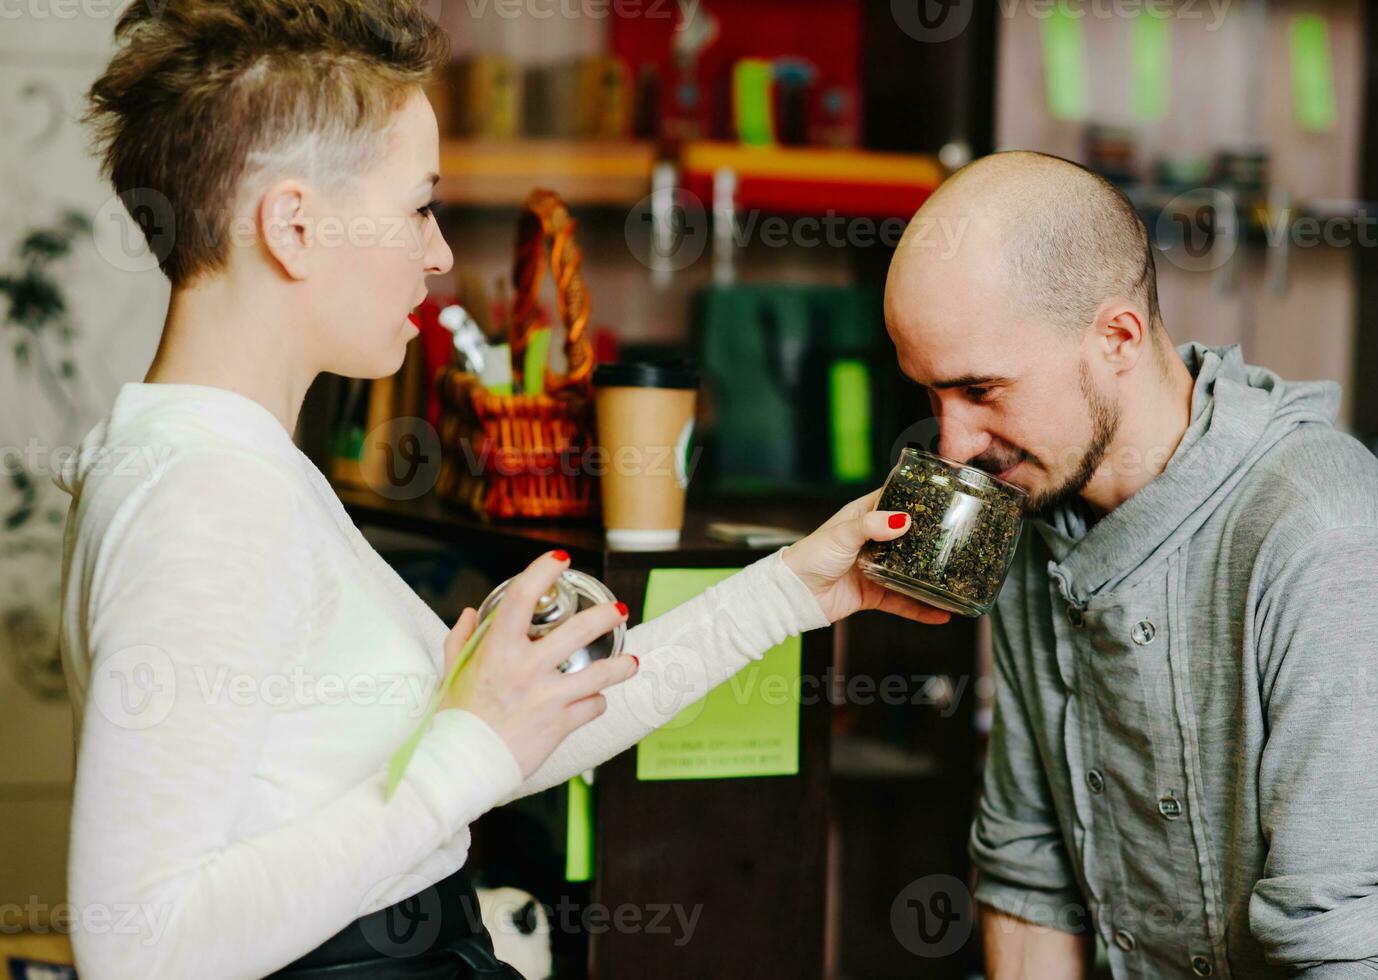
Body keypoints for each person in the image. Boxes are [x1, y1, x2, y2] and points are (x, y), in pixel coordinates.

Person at [58, 2, 950, 977]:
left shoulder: (228, 466)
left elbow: (504, 745)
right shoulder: (208, 497)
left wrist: (794, 587)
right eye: (416, 206)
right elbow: (138, 943)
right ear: (294, 225)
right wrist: (471, 741)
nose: (439, 253)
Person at [884, 150, 1378, 978]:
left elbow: (1346, 948)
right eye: (930, 395)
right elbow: (1030, 870)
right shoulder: (1029, 494)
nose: (952, 447)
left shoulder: (1322, 535)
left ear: (1117, 336)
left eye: (981, 390)